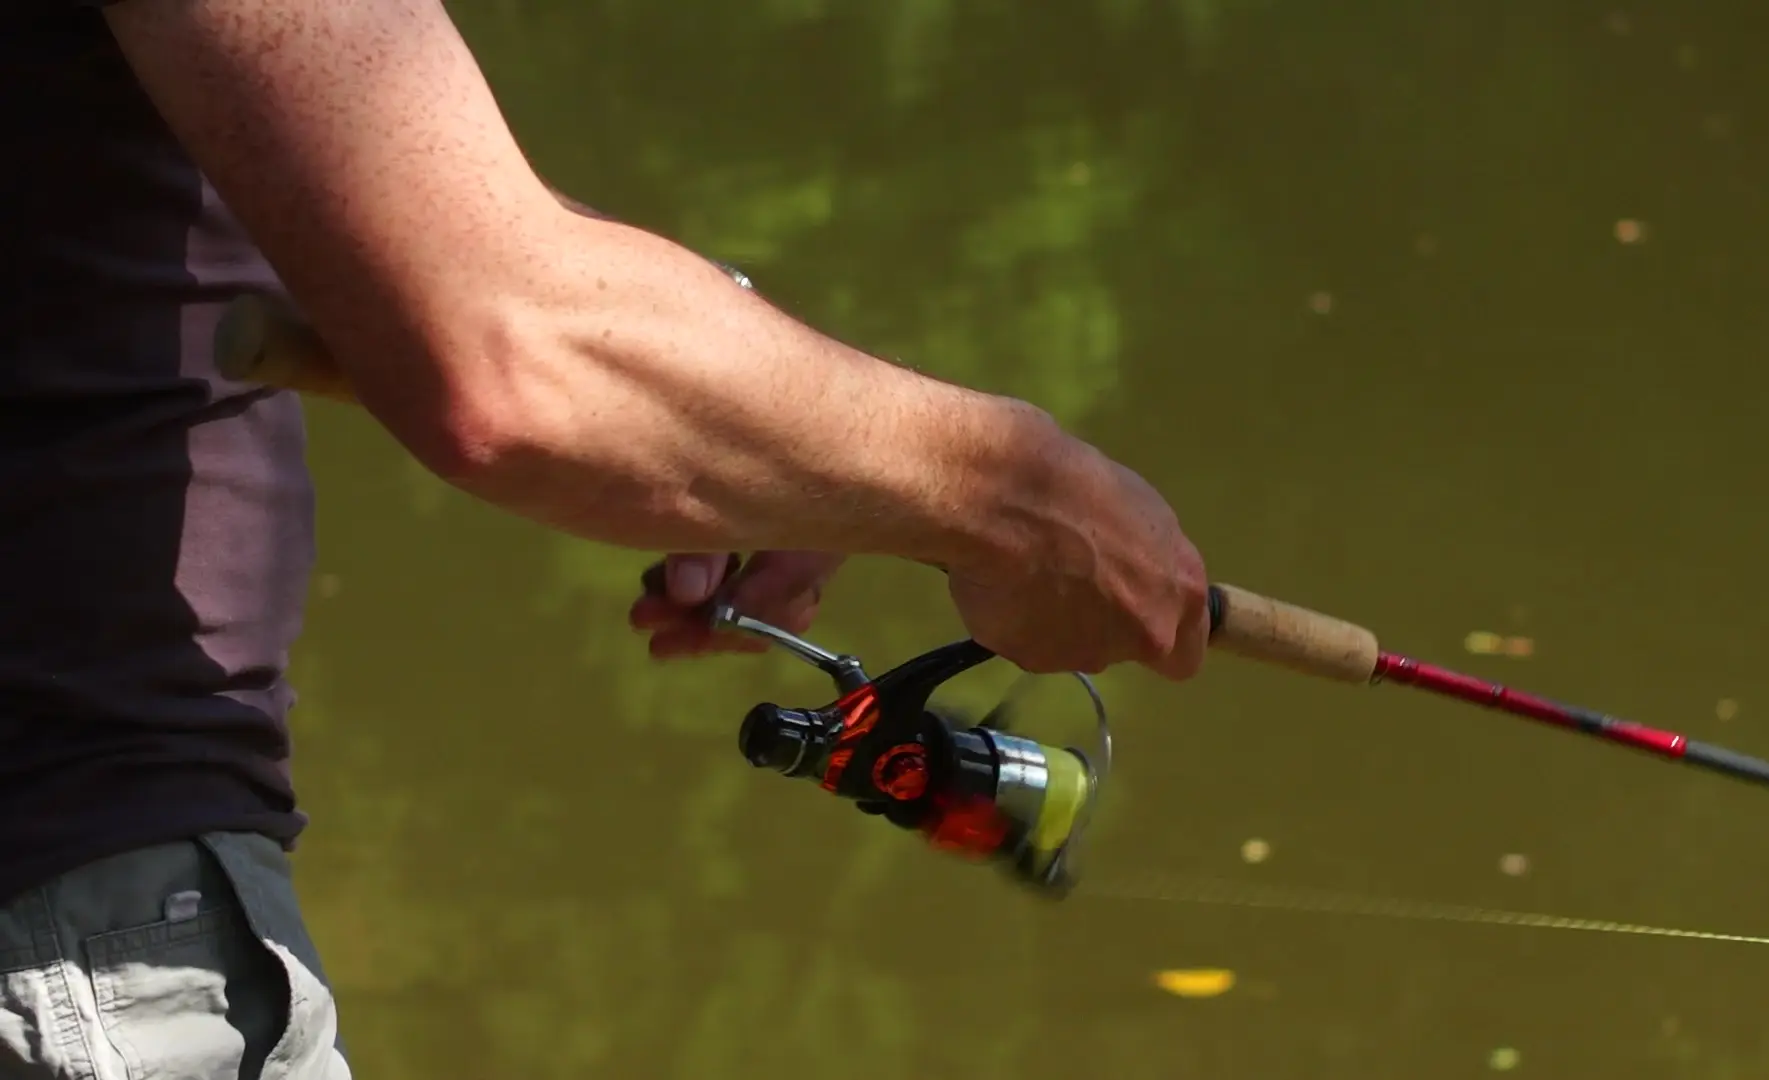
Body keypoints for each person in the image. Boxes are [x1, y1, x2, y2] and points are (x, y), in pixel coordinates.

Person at [0, 0, 1212, 1075]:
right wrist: (1015, 497)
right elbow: (510, 353)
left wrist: (758, 416)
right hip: (75, 914)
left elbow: (380, 212)